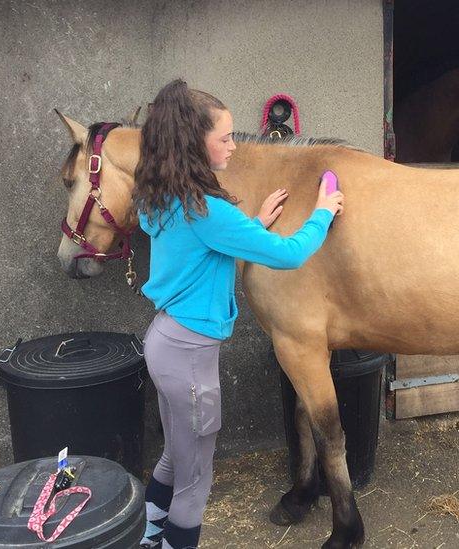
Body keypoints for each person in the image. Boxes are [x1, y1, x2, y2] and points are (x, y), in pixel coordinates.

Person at [133, 79, 343, 549]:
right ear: (194, 143)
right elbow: (288, 255)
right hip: (189, 357)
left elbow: (203, 248)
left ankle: (147, 532)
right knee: (196, 479)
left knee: (174, 454)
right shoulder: (209, 208)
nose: (234, 145)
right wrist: (323, 212)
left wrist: (253, 225)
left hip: (164, 341)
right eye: (225, 137)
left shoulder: (166, 196)